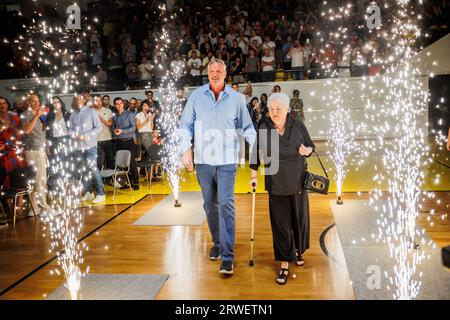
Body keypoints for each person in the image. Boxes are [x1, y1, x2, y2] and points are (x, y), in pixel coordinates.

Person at [179, 59, 256, 275]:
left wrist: (258, 145)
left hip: (226, 161)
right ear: (207, 73)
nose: (215, 74)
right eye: (211, 71)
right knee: (209, 206)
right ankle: (218, 243)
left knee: (226, 205)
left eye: (219, 70)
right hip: (203, 161)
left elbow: (247, 126)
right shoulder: (196, 96)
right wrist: (186, 148)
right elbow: (185, 126)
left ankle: (228, 256)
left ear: (225, 72)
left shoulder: (236, 98)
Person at [249, 92, 315, 285]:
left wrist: (307, 151)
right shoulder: (264, 128)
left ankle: (299, 250)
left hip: (297, 180)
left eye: (278, 108)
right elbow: (255, 155)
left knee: (298, 219)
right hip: (275, 182)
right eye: (271, 109)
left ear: (287, 109)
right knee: (281, 225)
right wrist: (254, 175)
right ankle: (285, 263)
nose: (274, 112)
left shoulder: (298, 126)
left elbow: (311, 146)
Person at [68, 93, 106, 204]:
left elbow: (99, 127)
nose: (77, 101)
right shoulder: (73, 114)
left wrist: (86, 135)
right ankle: (89, 192)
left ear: (84, 100)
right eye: (75, 99)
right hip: (78, 147)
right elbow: (69, 128)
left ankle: (101, 193)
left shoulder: (91, 111)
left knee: (93, 169)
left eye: (79, 99)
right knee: (84, 171)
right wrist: (72, 135)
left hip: (90, 146)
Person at [21, 93, 51, 214]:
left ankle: (34, 209)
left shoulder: (39, 115)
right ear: (28, 102)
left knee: (35, 180)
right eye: (33, 101)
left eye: (38, 101)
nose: (36, 103)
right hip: (33, 150)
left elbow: (42, 132)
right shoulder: (26, 115)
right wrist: (36, 116)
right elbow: (27, 130)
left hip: (39, 149)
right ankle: (44, 207)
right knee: (40, 179)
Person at [112, 97, 140, 190]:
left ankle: (136, 183)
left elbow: (133, 128)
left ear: (123, 104)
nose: (119, 105)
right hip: (119, 142)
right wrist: (115, 131)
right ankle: (126, 183)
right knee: (122, 164)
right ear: (115, 105)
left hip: (129, 141)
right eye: (117, 104)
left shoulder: (130, 114)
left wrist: (122, 131)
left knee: (132, 163)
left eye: (120, 103)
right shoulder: (114, 116)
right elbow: (113, 128)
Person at [45, 96, 71, 191]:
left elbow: (72, 129)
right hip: (54, 141)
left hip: (66, 141)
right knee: (54, 165)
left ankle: (64, 187)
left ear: (61, 103)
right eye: (54, 102)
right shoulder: (50, 115)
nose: (56, 103)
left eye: (57, 101)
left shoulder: (67, 114)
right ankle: (56, 187)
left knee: (64, 164)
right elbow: (47, 133)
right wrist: (47, 147)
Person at [93, 95, 115, 170]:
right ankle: (99, 179)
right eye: (96, 101)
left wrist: (103, 121)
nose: (98, 103)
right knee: (99, 161)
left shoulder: (107, 110)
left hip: (107, 138)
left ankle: (111, 179)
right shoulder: (90, 112)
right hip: (96, 140)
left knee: (110, 159)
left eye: (100, 101)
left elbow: (110, 124)